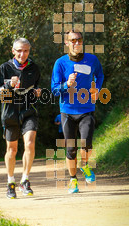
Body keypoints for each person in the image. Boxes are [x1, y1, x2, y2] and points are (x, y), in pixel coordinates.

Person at [51, 30, 104, 193]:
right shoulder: (60, 63)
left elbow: (100, 75)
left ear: (82, 42)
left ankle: (85, 165)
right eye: (73, 40)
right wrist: (66, 84)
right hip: (67, 111)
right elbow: (54, 89)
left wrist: (97, 88)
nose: (76, 43)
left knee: (86, 144)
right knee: (71, 149)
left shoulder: (92, 60)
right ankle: (73, 180)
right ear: (67, 43)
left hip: (86, 109)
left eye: (79, 40)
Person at [0, 38, 41, 199]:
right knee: (12, 151)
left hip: (28, 112)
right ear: (13, 51)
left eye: (25, 50)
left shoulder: (34, 68)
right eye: (19, 50)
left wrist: (37, 93)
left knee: (30, 143)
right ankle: (10, 182)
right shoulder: (4, 68)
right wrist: (8, 86)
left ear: (29, 51)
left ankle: (25, 180)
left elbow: (37, 87)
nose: (22, 54)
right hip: (10, 114)